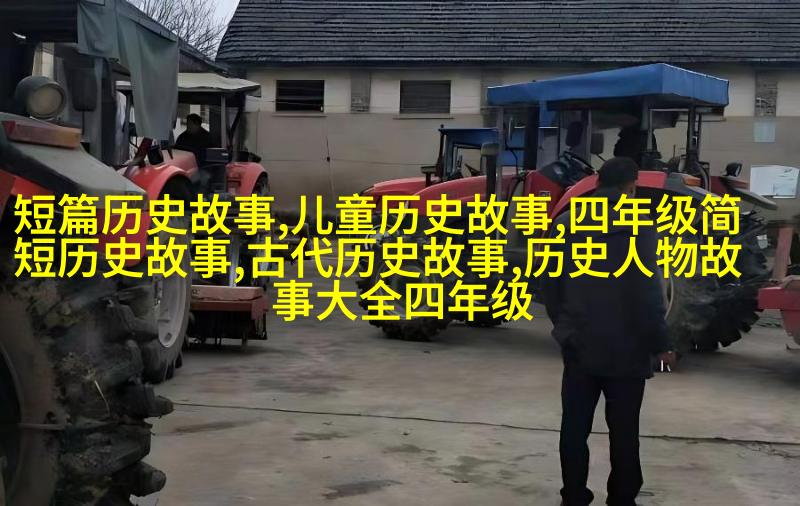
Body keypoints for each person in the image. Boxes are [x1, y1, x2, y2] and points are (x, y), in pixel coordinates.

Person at [541, 157, 677, 506]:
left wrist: (564, 328)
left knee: (575, 427)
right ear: (631, 185)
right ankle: (622, 498)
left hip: (580, 344)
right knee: (625, 430)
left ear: (598, 182)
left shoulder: (566, 222)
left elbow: (549, 284)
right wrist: (661, 343)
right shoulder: (640, 225)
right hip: (628, 348)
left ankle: (573, 496)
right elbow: (648, 292)